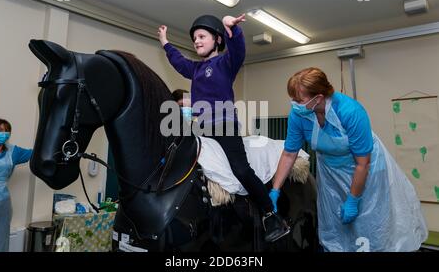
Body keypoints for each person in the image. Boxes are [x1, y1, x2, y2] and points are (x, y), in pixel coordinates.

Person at [158, 14, 290, 242]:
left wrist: (232, 30)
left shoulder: (225, 63)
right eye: (194, 38)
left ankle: (270, 214)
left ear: (217, 40)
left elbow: (238, 49)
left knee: (241, 170)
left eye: (202, 36)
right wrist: (165, 43)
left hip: (226, 127)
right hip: (203, 129)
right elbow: (178, 62)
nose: (197, 41)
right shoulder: (195, 69)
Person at [269, 67, 428, 251]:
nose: (294, 104)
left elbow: (363, 163)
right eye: (293, 99)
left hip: (365, 171)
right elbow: (289, 153)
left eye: (299, 100)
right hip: (330, 173)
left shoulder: (350, 111)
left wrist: (353, 199)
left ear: (318, 97)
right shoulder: (299, 114)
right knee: (334, 224)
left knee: (369, 225)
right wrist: (275, 189)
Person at [0, 118, 32, 251]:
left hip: (2, 204)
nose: (4, 133)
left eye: (7, 131)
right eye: (0, 130)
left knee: (0, 238)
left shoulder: (14, 152)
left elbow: (37, 153)